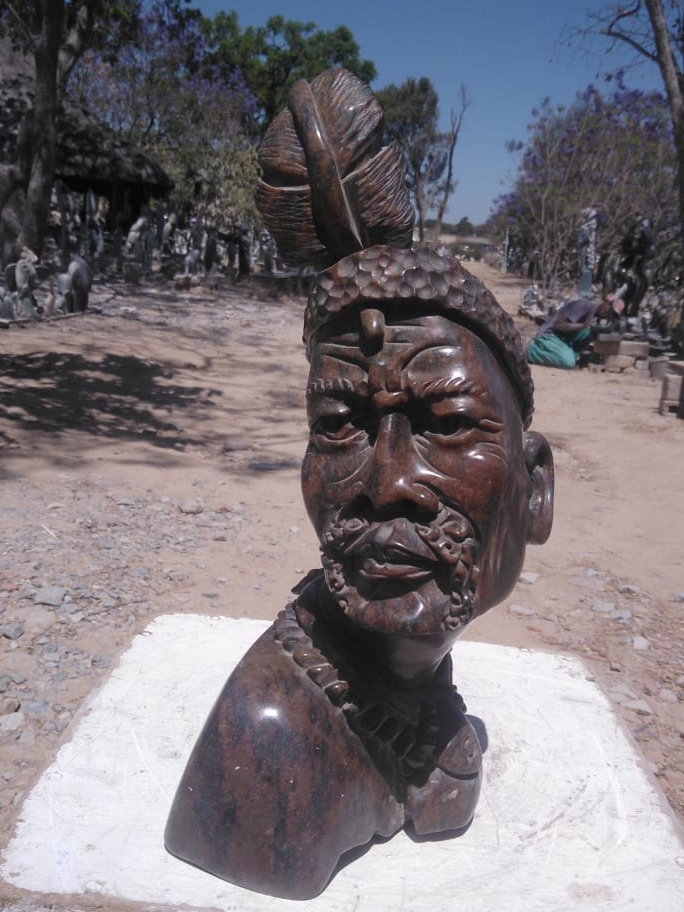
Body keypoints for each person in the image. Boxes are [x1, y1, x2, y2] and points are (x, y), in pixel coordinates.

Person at [165, 69, 555, 901]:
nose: (386, 483)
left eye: (447, 425)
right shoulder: (266, 745)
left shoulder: (421, 690)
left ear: (538, 490)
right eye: (339, 425)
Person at [527, 296, 610, 368]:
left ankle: (567, 353)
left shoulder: (595, 316)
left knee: (590, 331)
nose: (607, 314)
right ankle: (531, 349)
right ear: (604, 304)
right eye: (609, 310)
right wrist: (581, 326)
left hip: (562, 338)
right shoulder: (583, 305)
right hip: (548, 335)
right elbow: (557, 325)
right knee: (568, 362)